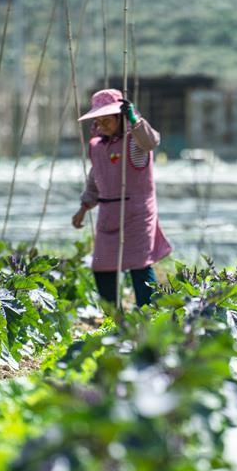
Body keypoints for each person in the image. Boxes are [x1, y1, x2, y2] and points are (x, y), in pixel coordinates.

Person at [71, 88, 172, 307]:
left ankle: (148, 315)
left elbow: (151, 142)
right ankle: (115, 318)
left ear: (120, 118)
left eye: (108, 120)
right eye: (99, 121)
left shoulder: (135, 142)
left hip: (137, 213)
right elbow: (95, 178)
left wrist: (135, 120)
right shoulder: (97, 146)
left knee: (139, 265)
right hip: (108, 213)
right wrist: (84, 207)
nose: (103, 125)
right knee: (102, 267)